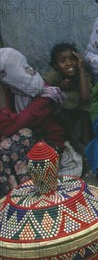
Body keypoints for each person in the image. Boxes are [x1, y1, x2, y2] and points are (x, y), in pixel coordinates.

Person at [1, 48, 66, 197]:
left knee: (8, 147)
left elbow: (11, 126)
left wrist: (2, 103)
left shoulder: (44, 96)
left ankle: (22, 193)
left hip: (48, 142)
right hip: (22, 137)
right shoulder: (11, 90)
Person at [44, 42, 92, 152]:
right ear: (56, 65)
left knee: (88, 104)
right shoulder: (55, 74)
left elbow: (85, 97)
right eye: (62, 61)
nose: (69, 63)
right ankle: (74, 141)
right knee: (62, 109)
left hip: (81, 111)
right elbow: (44, 89)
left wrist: (81, 69)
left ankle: (86, 138)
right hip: (65, 115)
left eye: (72, 59)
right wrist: (59, 87)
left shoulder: (83, 73)